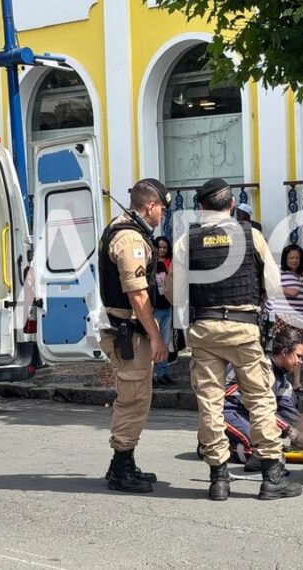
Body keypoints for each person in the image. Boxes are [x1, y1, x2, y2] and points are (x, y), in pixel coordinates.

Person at [166, 177, 301, 501]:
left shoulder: (187, 241)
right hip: (243, 328)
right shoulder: (250, 235)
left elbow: (175, 293)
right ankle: (271, 477)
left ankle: (219, 479)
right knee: (260, 400)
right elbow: (273, 286)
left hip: (205, 329)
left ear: (200, 207)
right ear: (231, 205)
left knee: (211, 403)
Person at [97, 178, 170, 494]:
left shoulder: (124, 228)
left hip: (127, 329)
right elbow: (138, 295)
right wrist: (156, 336)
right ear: (151, 206)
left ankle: (122, 463)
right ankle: (121, 466)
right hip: (129, 331)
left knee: (136, 396)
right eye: (162, 210)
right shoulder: (130, 239)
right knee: (133, 398)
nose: (162, 216)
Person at [224, 326, 303, 466]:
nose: (300, 362)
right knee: (259, 453)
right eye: (298, 356)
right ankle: (212, 447)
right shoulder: (258, 368)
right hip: (228, 411)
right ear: (285, 352)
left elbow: (288, 411)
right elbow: (257, 406)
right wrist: (289, 430)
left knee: (269, 445)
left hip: (250, 415)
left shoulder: (282, 380)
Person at [266, 243, 303, 391]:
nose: (294, 260)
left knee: (297, 352)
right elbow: (268, 289)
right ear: (285, 259)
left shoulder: (302, 277)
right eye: (291, 257)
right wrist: (287, 290)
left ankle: (297, 382)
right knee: (281, 351)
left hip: (299, 321)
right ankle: (277, 382)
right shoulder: (279, 273)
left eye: (297, 258)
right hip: (282, 319)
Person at [152, 236, 175, 387]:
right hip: (154, 309)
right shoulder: (150, 265)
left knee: (165, 342)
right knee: (153, 343)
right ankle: (151, 375)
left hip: (167, 307)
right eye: (159, 247)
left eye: (164, 247)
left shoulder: (170, 264)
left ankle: (162, 373)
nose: (162, 250)